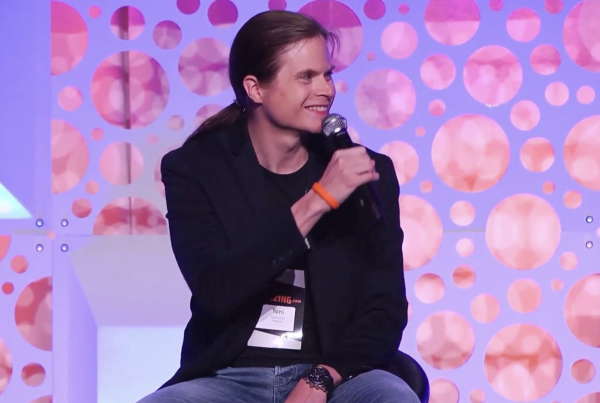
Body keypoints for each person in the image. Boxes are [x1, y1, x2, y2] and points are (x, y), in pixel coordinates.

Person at [138, 9, 418, 403]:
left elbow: (385, 307)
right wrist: (319, 200)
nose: (325, 90)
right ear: (255, 89)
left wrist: (321, 378)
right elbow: (216, 289)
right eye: (306, 77)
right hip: (229, 376)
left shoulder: (366, 170)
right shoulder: (195, 170)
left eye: (327, 75)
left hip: (336, 373)